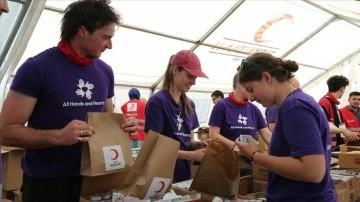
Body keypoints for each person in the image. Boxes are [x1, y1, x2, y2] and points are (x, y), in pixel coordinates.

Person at [0, 1, 137, 202]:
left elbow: (108, 119)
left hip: (93, 178)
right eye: (105, 37)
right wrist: (59, 137)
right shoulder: (37, 68)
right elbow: (5, 131)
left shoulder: (104, 72)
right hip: (45, 182)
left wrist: (123, 126)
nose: (109, 45)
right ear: (82, 31)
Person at [235, 53, 336, 201]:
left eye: (251, 89)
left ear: (267, 78)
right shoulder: (297, 103)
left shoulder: (294, 107)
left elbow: (313, 171)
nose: (251, 98)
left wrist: (254, 155)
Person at [144, 50, 208, 183]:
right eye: (190, 76)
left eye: (195, 78)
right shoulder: (158, 102)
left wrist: (196, 145)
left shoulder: (190, 105)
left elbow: (187, 141)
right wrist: (192, 155)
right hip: (161, 177)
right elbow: (153, 146)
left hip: (184, 174)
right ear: (175, 69)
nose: (193, 82)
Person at [208, 72, 271, 177]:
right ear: (240, 84)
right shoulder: (222, 106)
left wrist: (280, 150)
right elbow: (213, 134)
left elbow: (267, 135)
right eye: (250, 86)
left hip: (248, 164)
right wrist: (235, 146)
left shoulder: (254, 109)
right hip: (225, 165)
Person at [318, 75, 359, 150]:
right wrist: (344, 131)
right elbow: (324, 124)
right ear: (342, 89)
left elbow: (339, 125)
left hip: (336, 146)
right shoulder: (324, 102)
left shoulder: (334, 105)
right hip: (329, 147)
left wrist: (347, 135)